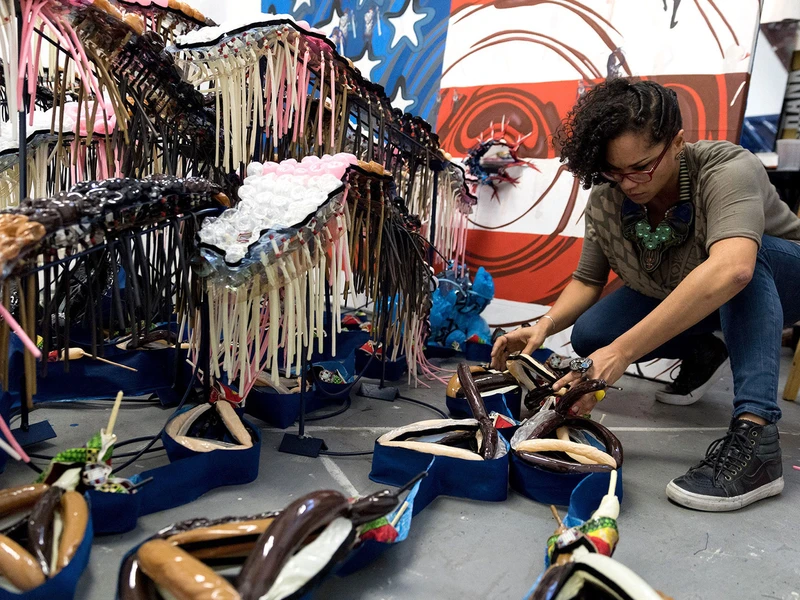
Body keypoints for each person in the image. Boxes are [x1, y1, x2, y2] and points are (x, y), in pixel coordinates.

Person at [490, 78, 800, 511]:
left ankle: (757, 437)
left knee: (745, 256)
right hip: (703, 286)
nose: (629, 183)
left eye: (641, 167)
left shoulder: (728, 168)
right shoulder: (606, 197)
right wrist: (542, 326)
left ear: (677, 143)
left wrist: (619, 355)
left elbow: (733, 269)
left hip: (784, 280)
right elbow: (587, 281)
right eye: (613, 171)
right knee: (593, 333)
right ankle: (704, 350)